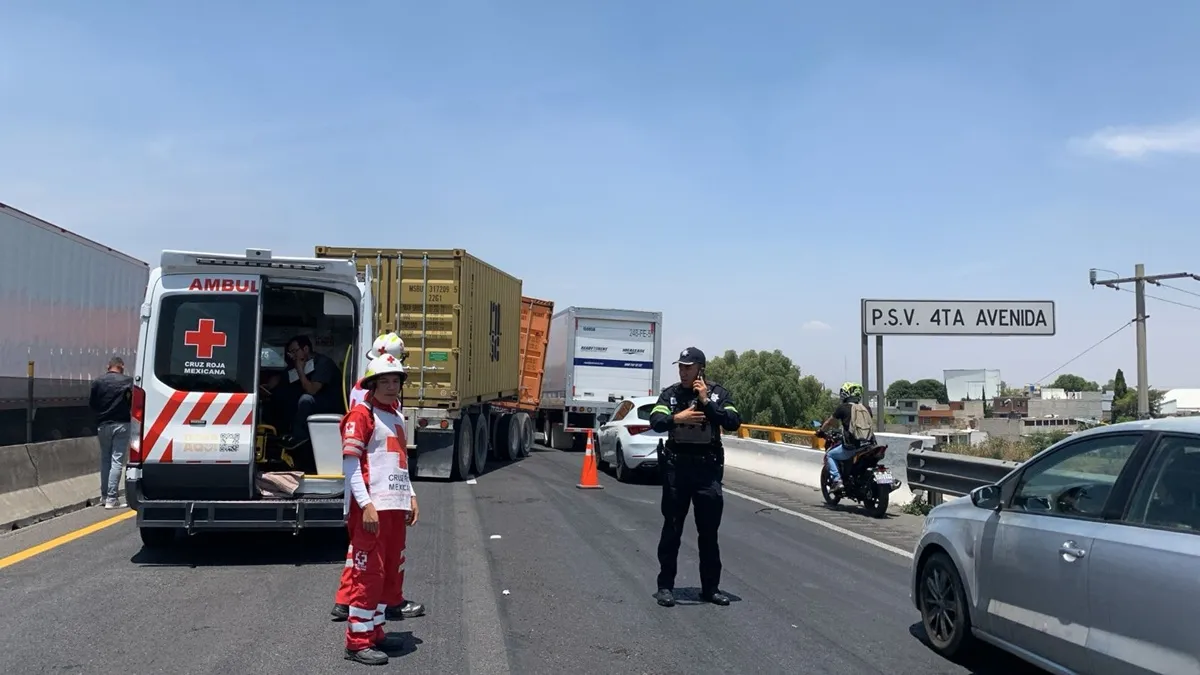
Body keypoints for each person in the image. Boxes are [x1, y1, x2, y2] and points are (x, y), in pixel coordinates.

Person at [332, 332, 425, 623]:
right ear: (374, 382)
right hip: (372, 500)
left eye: (395, 381)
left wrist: (409, 495)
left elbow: (399, 460)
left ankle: (375, 625)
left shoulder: (393, 411)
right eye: (385, 381)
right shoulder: (365, 410)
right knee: (369, 570)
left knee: (382, 566)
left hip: (392, 501)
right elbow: (352, 463)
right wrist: (365, 502)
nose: (391, 386)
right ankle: (360, 635)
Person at [647, 347, 741, 608]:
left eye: (688, 367)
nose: (683, 371)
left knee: (708, 534)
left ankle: (710, 588)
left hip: (707, 472)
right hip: (677, 470)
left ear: (700, 369)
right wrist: (679, 417)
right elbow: (656, 421)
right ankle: (665, 587)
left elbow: (734, 420)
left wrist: (706, 401)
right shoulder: (671, 394)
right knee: (672, 530)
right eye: (680, 367)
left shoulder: (718, 393)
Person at [282, 335, 343, 449]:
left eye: (295, 351)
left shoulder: (323, 363)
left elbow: (311, 390)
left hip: (330, 404)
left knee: (305, 399)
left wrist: (300, 369)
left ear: (305, 349)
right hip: (316, 404)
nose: (293, 356)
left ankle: (299, 438)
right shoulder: (296, 364)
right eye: (290, 353)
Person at [89, 356, 133, 509]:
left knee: (105, 460)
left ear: (109, 366)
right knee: (116, 461)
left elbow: (92, 404)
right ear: (122, 367)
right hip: (122, 425)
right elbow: (132, 402)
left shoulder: (98, 382)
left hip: (103, 425)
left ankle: (104, 496)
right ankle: (112, 498)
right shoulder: (128, 382)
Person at [817, 382, 877, 492]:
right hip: (869, 445)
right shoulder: (866, 408)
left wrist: (821, 431)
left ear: (845, 394)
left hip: (852, 447)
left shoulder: (842, 408)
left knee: (830, 455)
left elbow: (830, 423)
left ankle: (837, 480)